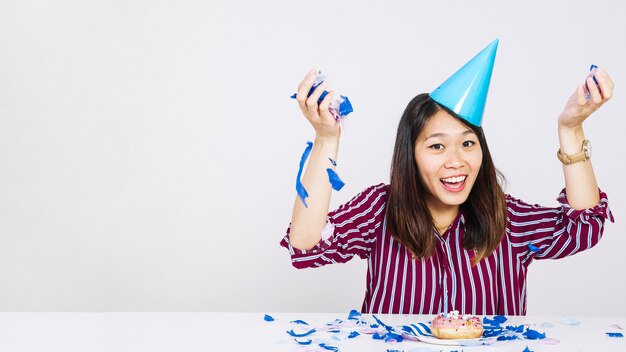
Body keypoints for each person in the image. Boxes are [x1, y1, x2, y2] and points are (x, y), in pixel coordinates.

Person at [280, 41, 614, 315]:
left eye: (468, 143)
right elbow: (306, 245)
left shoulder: (507, 219)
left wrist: (570, 130)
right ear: (410, 154)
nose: (456, 161)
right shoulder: (379, 209)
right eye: (437, 145)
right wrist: (326, 138)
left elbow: (584, 226)